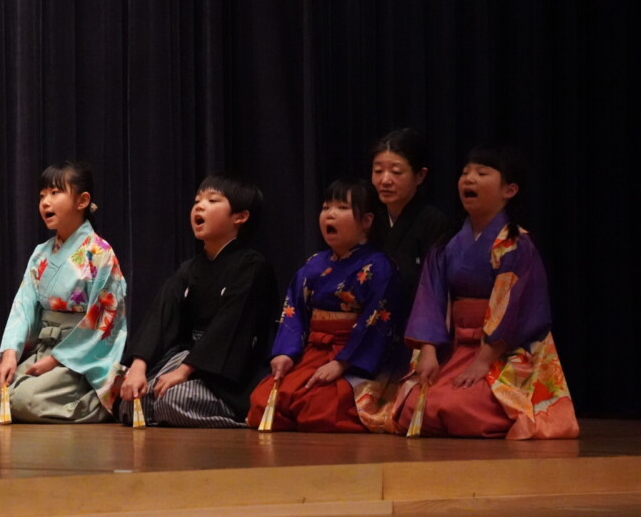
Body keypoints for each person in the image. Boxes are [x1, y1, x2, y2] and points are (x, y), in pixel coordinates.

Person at [393, 145, 577, 438]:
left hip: (501, 351)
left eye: (482, 173)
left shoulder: (515, 245)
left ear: (509, 190)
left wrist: (483, 361)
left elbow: (514, 309)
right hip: (455, 347)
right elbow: (431, 298)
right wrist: (428, 352)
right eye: (465, 172)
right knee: (415, 405)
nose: (469, 179)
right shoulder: (446, 244)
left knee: (456, 407)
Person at [118, 175, 278, 427]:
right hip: (191, 359)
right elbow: (161, 317)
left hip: (227, 376)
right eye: (197, 201)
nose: (200, 207)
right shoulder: (189, 269)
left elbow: (230, 327)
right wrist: (138, 366)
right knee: (132, 402)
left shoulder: (252, 267)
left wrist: (184, 371)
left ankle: (238, 418)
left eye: (212, 200)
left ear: (240, 217)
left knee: (172, 400)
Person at [246, 179, 401, 432]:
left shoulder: (379, 266)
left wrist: (342, 363)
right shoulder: (315, 264)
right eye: (326, 207)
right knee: (263, 402)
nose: (330, 214)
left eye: (342, 207)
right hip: (312, 351)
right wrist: (285, 353)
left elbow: (375, 322)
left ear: (367, 221)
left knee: (320, 408)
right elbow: (294, 312)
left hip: (349, 354)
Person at [0, 162, 127, 423]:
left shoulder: (100, 252)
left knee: (24, 400)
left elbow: (103, 319)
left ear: (82, 201)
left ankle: (91, 403)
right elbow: (23, 306)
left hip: (77, 357)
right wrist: (11, 353)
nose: (45, 202)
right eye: (42, 195)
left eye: (55, 193)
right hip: (44, 348)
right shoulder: (41, 253)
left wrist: (57, 360)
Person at [369, 129, 448, 310]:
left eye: (396, 172)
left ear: (420, 175)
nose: (385, 180)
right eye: (378, 171)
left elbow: (434, 289)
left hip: (416, 320)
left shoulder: (433, 222)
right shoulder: (370, 219)